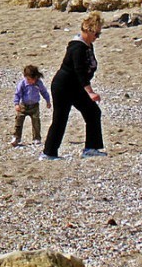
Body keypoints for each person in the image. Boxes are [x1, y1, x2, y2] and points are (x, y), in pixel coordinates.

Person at [40, 13, 106, 160]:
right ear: (88, 30)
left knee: (93, 112)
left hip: (75, 87)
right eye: (97, 33)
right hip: (63, 86)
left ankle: (91, 148)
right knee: (60, 118)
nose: (97, 37)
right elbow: (79, 71)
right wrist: (90, 92)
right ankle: (48, 153)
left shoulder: (88, 45)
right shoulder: (77, 47)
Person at [11, 65, 51, 147]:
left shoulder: (38, 83)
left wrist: (48, 101)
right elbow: (17, 94)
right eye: (28, 79)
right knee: (19, 121)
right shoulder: (22, 84)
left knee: (36, 122)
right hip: (23, 106)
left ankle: (36, 138)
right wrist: (16, 104)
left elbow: (44, 92)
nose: (30, 81)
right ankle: (16, 137)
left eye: (32, 79)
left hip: (34, 106)